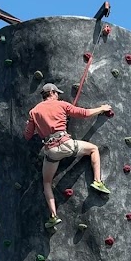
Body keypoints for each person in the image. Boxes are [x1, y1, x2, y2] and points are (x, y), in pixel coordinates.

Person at [24, 83, 112, 229]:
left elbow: (27, 135)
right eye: (56, 92)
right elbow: (85, 114)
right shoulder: (61, 105)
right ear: (52, 92)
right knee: (93, 149)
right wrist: (102, 108)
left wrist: (30, 124)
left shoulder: (34, 112)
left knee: (46, 182)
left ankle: (53, 216)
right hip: (66, 144)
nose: (58, 95)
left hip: (51, 151)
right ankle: (97, 181)